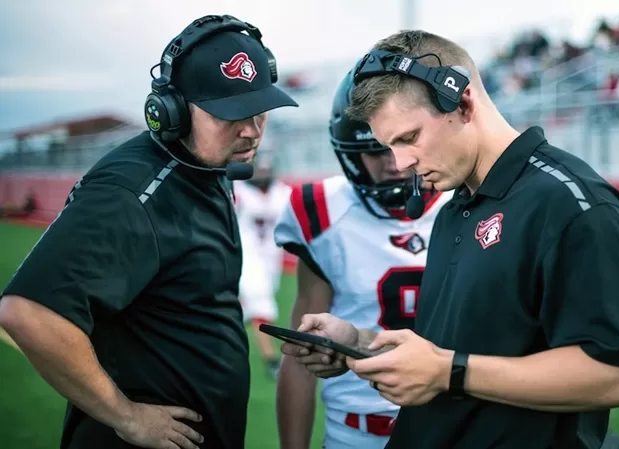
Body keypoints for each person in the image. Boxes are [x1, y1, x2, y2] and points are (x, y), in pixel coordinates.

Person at [282, 30, 619, 449]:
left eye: (408, 138)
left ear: (463, 103)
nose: (401, 163)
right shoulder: (457, 206)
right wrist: (361, 343)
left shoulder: (573, 206)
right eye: (389, 146)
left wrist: (448, 372)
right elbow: (462, 346)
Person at [0, 14, 297, 449]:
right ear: (172, 111)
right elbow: (27, 313)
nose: (251, 130)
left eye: (259, 111)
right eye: (230, 115)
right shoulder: (132, 191)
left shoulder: (205, 165)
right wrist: (127, 417)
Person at [274, 71, 452, 449]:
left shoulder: (469, 203)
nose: (395, 162)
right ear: (349, 153)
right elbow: (302, 356)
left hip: (455, 427)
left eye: (403, 141)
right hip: (356, 433)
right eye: (376, 149)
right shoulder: (320, 211)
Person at [234, 149, 291, 378]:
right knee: (262, 305)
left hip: (271, 256)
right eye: (259, 168)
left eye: (266, 169)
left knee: (251, 309)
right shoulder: (237, 191)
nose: (262, 173)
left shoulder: (282, 192)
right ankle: (272, 362)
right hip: (247, 254)